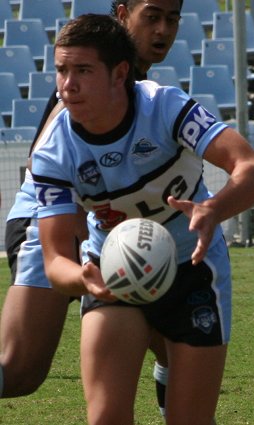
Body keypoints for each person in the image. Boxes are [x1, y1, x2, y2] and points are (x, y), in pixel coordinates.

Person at [31, 14, 254, 425]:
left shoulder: (166, 107)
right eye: (61, 70)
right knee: (105, 418)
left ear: (119, 73)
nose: (67, 85)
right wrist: (84, 278)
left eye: (83, 71)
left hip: (193, 270)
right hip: (114, 277)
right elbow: (55, 262)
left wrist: (213, 209)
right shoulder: (52, 153)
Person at [0, 0, 182, 408]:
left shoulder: (134, 86)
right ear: (122, 14)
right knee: (18, 370)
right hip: (50, 221)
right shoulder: (95, 78)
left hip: (100, 230)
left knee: (178, 344)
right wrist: (82, 215)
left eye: (172, 19)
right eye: (151, 17)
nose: (162, 30)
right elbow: (41, 159)